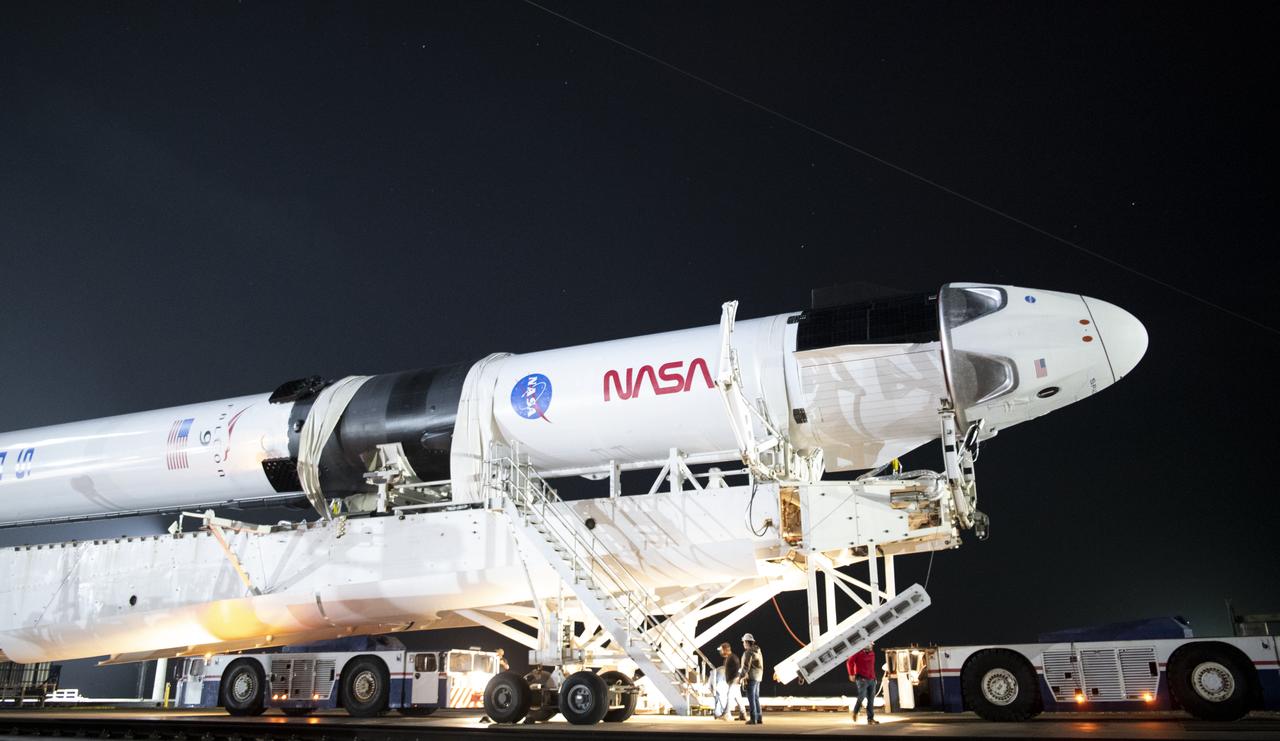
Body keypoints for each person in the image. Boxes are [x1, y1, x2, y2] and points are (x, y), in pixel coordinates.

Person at [847, 642, 880, 725]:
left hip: (872, 679)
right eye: (870, 644)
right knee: (861, 696)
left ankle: (870, 719)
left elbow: (871, 667)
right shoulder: (858, 653)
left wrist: (875, 678)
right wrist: (851, 674)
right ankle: (855, 712)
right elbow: (849, 662)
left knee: (871, 700)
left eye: (872, 645)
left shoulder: (872, 653)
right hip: (862, 679)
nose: (872, 646)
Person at [714, 642, 746, 721]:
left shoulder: (733, 657)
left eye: (721, 650)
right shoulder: (728, 658)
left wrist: (739, 678)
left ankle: (726, 714)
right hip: (733, 680)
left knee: (729, 696)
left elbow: (739, 668)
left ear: (726, 649)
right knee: (738, 698)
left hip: (735, 680)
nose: (720, 652)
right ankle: (743, 714)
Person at [740, 633, 764, 725]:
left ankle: (753, 718)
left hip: (752, 677)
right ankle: (759, 717)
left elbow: (746, 667)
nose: (743, 644)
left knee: (751, 698)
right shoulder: (758, 651)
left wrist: (740, 678)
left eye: (743, 642)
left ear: (746, 642)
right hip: (758, 677)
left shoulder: (748, 652)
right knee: (756, 698)